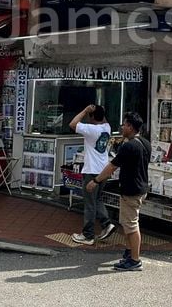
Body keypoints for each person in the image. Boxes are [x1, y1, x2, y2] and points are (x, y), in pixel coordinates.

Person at [87, 111, 151, 272]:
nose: (122, 127)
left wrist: (96, 181)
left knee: (131, 225)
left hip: (131, 190)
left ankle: (135, 260)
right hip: (140, 187)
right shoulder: (145, 143)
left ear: (130, 126)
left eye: (124, 124)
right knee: (127, 223)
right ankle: (129, 253)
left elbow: (112, 166)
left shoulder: (129, 146)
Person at [69, 103, 115, 245]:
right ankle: (107, 224)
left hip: (91, 171)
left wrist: (85, 110)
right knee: (97, 199)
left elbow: (72, 124)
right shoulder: (107, 127)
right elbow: (102, 118)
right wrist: (98, 111)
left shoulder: (91, 129)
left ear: (92, 117)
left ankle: (87, 235)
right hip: (103, 170)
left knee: (89, 203)